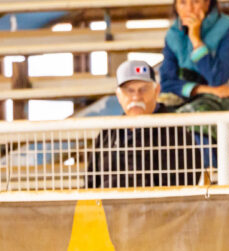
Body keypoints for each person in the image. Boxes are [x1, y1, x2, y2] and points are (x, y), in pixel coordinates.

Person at [86, 60, 205, 189]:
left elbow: (185, 185)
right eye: (129, 90)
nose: (136, 97)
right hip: (110, 208)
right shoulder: (107, 135)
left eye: (143, 89)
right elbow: (91, 184)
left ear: (156, 91)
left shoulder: (175, 133)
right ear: (118, 95)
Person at [159, 0, 229, 113]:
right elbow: (167, 83)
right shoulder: (173, 35)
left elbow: (217, 78)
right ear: (176, 6)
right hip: (195, 97)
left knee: (197, 113)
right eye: (182, 3)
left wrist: (196, 40)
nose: (189, 9)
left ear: (208, 3)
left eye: (196, 2)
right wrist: (204, 90)